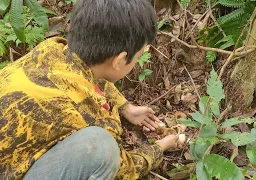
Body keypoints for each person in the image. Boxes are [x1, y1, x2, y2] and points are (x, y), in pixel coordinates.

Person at [0, 0, 179, 179]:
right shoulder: (92, 115)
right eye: (139, 55)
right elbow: (126, 170)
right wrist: (160, 146)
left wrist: (126, 107)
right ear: (120, 61)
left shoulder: (51, 48)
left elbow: (88, 75)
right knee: (101, 148)